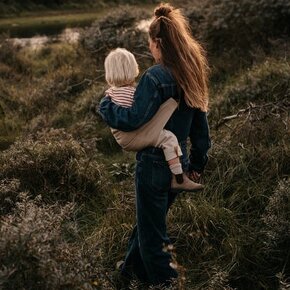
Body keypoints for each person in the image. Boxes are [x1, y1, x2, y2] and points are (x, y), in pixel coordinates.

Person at [98, 2, 211, 288]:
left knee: (153, 237)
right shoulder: (191, 72)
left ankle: (167, 284)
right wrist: (196, 164)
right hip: (178, 164)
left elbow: (133, 119)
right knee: (148, 222)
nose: (149, 49)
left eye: (150, 43)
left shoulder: (155, 77)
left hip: (152, 165)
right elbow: (201, 128)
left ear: (158, 42)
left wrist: (105, 106)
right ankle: (128, 273)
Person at [104, 47, 204, 192]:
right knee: (168, 139)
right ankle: (178, 177)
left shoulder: (110, 93)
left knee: (165, 134)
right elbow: (142, 114)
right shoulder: (135, 92)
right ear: (133, 68)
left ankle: (178, 177)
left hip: (123, 138)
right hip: (135, 135)